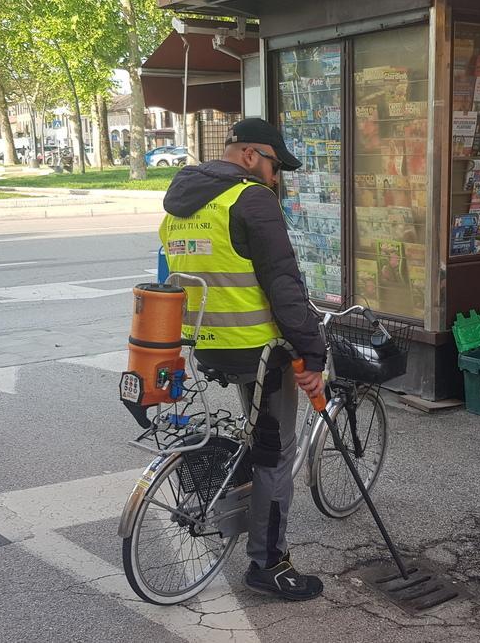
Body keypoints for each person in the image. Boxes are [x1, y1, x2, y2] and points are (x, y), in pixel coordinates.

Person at [159, 118, 327, 601]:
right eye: (276, 166)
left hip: (205, 341)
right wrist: (312, 352)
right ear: (252, 156)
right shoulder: (251, 198)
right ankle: (269, 564)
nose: (276, 178)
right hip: (260, 349)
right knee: (277, 452)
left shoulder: (179, 202)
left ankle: (240, 498)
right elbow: (282, 283)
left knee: (259, 435)